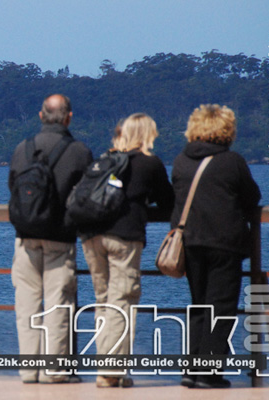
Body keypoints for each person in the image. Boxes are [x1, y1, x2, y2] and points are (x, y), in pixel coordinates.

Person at [76, 113, 174, 388]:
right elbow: (167, 202)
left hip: (91, 235)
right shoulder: (149, 163)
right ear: (147, 135)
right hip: (124, 237)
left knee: (103, 299)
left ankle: (109, 368)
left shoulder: (104, 160)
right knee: (123, 300)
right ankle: (111, 371)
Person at [171, 104, 260, 389]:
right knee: (220, 307)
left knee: (199, 305)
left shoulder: (181, 161)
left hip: (191, 242)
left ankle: (191, 369)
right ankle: (209, 373)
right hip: (224, 243)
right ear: (226, 130)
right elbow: (252, 196)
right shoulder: (232, 161)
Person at [8, 94, 93, 384]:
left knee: (27, 304)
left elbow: (13, 188)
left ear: (41, 116)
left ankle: (29, 370)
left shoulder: (22, 148)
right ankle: (53, 371)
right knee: (58, 305)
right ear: (69, 117)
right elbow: (86, 198)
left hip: (25, 237)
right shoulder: (80, 152)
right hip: (60, 237)